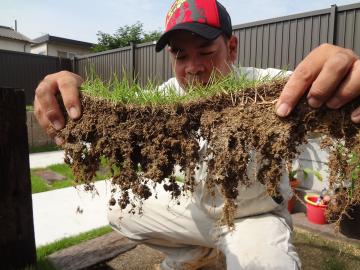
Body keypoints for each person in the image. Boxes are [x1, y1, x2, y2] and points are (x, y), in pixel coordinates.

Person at [34, 1, 360, 269]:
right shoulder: (165, 100)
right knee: (120, 213)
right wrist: (75, 103)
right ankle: (197, 256)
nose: (193, 68)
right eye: (180, 54)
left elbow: (319, 85)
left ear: (231, 48)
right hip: (195, 213)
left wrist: (344, 76)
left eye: (205, 52)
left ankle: (234, 251)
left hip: (253, 217)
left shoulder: (268, 89)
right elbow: (106, 131)